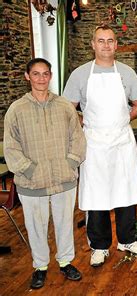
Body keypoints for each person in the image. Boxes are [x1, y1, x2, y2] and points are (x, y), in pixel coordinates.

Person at [63, 25, 137, 267]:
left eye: (110, 41)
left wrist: (123, 121)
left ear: (116, 44)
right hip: (94, 144)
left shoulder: (127, 73)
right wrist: (85, 122)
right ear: (93, 44)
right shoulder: (80, 74)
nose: (106, 45)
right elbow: (69, 108)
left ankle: (127, 239)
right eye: (101, 40)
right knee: (96, 195)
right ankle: (99, 246)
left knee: (126, 190)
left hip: (121, 142)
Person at [3, 58, 86, 289]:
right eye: (36, 74)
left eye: (45, 74)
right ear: (27, 77)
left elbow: (78, 138)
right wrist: (28, 169)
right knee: (36, 226)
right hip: (32, 182)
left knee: (64, 223)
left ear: (51, 76)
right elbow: (11, 146)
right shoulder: (16, 110)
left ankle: (66, 261)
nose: (41, 78)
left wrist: (71, 162)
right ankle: (40, 266)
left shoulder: (64, 106)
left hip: (64, 177)